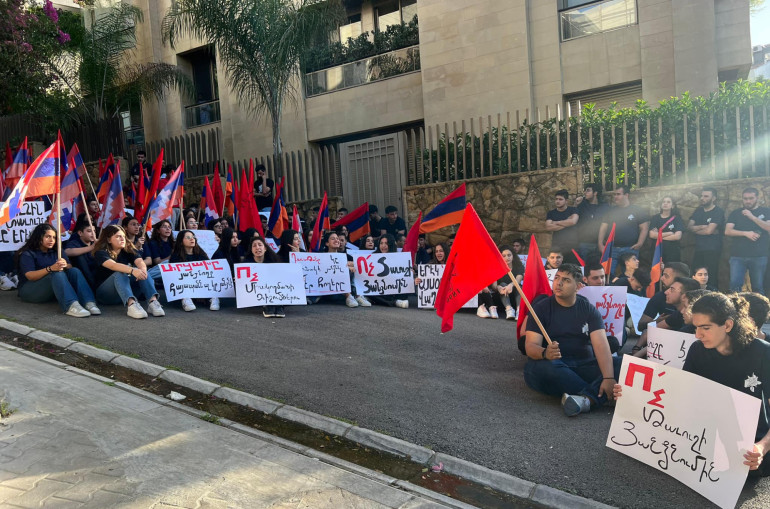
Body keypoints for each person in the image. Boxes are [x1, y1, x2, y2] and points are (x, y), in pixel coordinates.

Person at [615, 293, 770, 474]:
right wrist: (631, 394)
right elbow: (681, 393)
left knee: (746, 470)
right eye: (695, 327)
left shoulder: (762, 353)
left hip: (749, 439)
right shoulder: (697, 349)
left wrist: (762, 447)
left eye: (705, 327)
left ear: (728, 325)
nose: (697, 335)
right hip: (703, 434)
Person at [523, 263, 621, 416]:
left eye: (566, 280)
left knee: (620, 363)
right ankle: (596, 396)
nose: (559, 283)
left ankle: (586, 399)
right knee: (544, 369)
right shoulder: (541, 308)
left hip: (582, 364)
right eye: (557, 278)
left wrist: (608, 377)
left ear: (578, 286)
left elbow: (601, 346)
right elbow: (530, 347)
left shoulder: (588, 309)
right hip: (554, 364)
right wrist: (545, 353)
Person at [15, 224, 99, 317]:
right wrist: (50, 269)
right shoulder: (28, 253)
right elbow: (30, 276)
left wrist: (64, 265)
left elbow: (69, 267)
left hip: (51, 290)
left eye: (54, 237)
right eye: (48, 237)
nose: (52, 240)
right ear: (39, 237)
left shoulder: (57, 250)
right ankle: (70, 305)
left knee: (74, 271)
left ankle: (89, 302)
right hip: (30, 290)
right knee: (57, 274)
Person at [92, 225, 164, 319]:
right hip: (106, 295)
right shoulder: (101, 252)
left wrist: (142, 270)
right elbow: (113, 265)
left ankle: (152, 302)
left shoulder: (128, 249)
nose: (122, 239)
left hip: (124, 291)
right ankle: (131, 305)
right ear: (109, 240)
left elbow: (140, 262)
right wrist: (133, 270)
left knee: (143, 271)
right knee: (120, 272)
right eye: (118, 236)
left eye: (123, 236)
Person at [632, 276, 701, 357]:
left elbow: (667, 342)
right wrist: (636, 350)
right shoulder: (678, 314)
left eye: (672, 289)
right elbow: (650, 330)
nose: (666, 292)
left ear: (684, 296)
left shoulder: (693, 327)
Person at [725, 187, 770, 294]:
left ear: (757, 198)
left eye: (751, 198)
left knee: (758, 287)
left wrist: (752, 217)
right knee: (734, 286)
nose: (748, 201)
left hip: (759, 255)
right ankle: (735, 310)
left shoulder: (766, 211)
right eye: (745, 199)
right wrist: (746, 233)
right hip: (737, 256)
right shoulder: (736, 213)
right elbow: (727, 231)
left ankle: (759, 310)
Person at [598, 185, 649, 275]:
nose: (615, 197)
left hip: (630, 248)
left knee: (630, 276)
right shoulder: (610, 211)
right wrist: (600, 244)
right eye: (614, 194)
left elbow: (644, 228)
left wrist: (640, 243)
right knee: (607, 275)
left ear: (626, 195)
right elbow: (603, 228)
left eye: (618, 194)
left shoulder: (637, 210)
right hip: (611, 249)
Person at [169, 229, 219, 311]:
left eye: (193, 237)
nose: (192, 239)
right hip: (185, 285)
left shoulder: (201, 254)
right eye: (188, 237)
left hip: (201, 284)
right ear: (181, 241)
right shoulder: (175, 257)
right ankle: (185, 299)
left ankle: (213, 297)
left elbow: (209, 271)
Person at [688, 187, 725, 289]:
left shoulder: (718, 211)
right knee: (695, 276)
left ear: (713, 198)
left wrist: (699, 230)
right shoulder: (698, 211)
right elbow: (689, 227)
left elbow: (709, 231)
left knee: (711, 277)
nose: (702, 198)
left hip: (712, 249)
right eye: (701, 196)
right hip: (699, 249)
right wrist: (702, 227)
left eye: (706, 196)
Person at [321, 231, 370, 308]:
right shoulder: (321, 257)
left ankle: (358, 295)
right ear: (327, 243)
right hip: (330, 291)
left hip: (344, 291)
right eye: (333, 239)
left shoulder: (346, 256)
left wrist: (354, 265)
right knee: (343, 270)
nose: (336, 240)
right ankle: (349, 296)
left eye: (337, 238)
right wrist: (344, 267)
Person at [638, 261, 690, 332]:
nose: (661, 278)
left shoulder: (698, 298)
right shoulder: (660, 297)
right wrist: (657, 321)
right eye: (662, 275)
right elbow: (640, 326)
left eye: (666, 276)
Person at [242, 236, 283, 317]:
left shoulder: (274, 261)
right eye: (254, 246)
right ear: (251, 250)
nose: (257, 248)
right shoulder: (246, 264)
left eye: (260, 245)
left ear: (265, 248)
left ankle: (279, 306)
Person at [369, 234, 409, 308]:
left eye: (386, 243)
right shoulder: (373, 257)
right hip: (380, 289)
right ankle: (395, 302)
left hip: (394, 289)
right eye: (381, 243)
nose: (383, 246)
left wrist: (409, 273)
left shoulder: (399, 257)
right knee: (370, 292)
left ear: (391, 245)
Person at [575, 183, 608, 261]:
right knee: (585, 269)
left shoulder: (605, 206)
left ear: (595, 193)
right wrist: (575, 204)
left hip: (600, 244)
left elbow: (608, 223)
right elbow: (574, 218)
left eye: (588, 190)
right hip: (584, 243)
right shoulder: (582, 205)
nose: (585, 193)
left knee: (600, 269)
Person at [491, 245, 524, 320]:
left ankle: (519, 310)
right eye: (504, 256)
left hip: (515, 296)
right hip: (501, 297)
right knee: (502, 284)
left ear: (513, 256)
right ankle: (509, 309)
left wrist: (511, 285)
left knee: (518, 286)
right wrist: (498, 288)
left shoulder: (519, 267)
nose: (507, 258)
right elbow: (494, 286)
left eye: (509, 255)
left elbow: (518, 279)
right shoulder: (496, 267)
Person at [648, 195, 685, 263]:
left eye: (668, 202)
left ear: (672, 206)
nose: (665, 203)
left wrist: (658, 236)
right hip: (657, 252)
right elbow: (652, 235)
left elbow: (677, 236)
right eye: (664, 202)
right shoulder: (655, 218)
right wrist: (669, 233)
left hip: (672, 252)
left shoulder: (677, 219)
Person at [545, 190, 579, 261]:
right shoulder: (551, 213)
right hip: (557, 246)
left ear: (566, 201)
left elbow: (573, 222)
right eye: (556, 199)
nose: (557, 201)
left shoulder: (573, 210)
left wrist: (555, 222)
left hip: (572, 246)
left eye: (560, 199)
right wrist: (567, 222)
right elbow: (548, 227)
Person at [64, 218, 97, 287]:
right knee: (79, 257)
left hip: (96, 276)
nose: (93, 234)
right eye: (89, 231)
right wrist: (91, 248)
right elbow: (67, 252)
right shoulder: (75, 243)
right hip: (82, 278)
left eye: (94, 231)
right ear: (80, 233)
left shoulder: (96, 244)